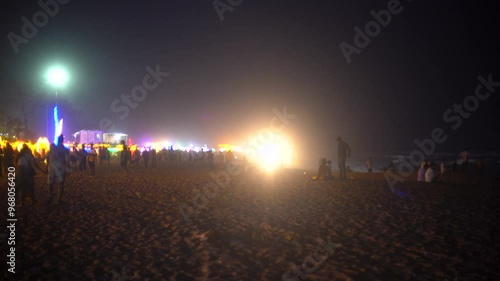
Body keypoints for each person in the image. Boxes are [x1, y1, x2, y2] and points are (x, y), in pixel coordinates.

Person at [47, 135, 70, 205]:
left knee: (50, 182)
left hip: (52, 167)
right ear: (61, 140)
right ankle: (59, 200)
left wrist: (47, 166)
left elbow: (48, 157)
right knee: (60, 184)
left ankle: (50, 195)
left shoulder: (51, 146)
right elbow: (67, 159)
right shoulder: (63, 148)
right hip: (60, 167)